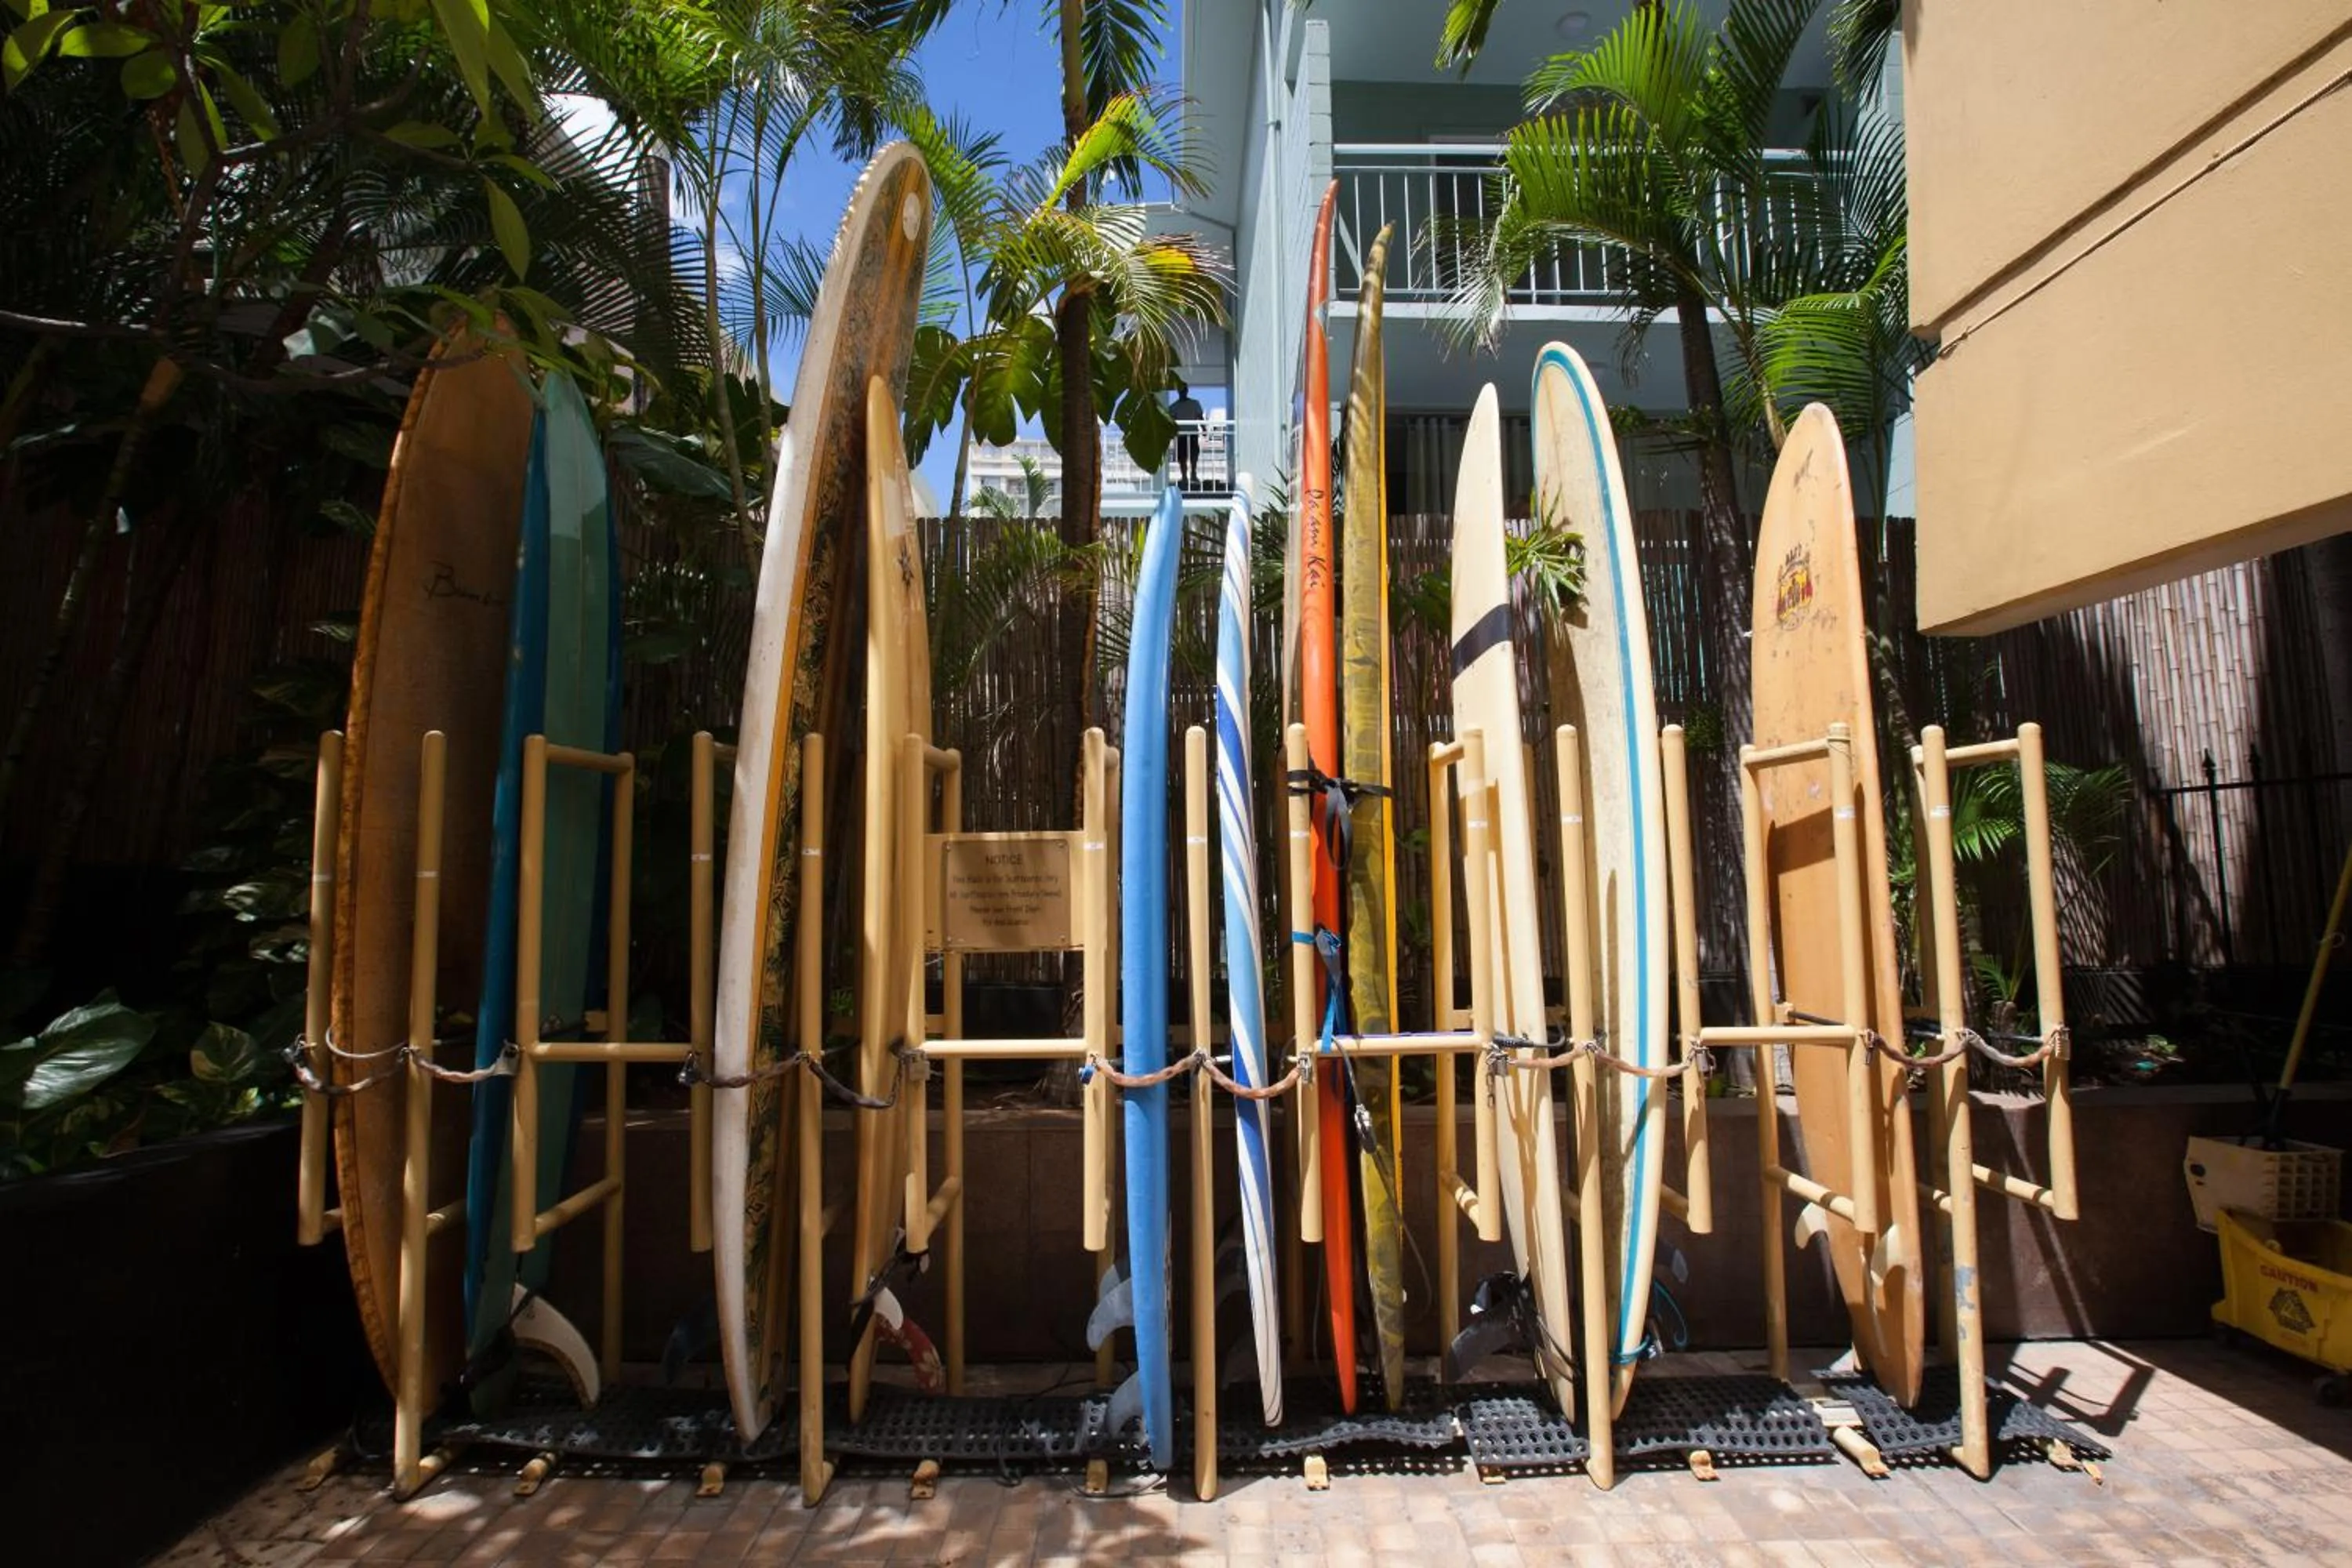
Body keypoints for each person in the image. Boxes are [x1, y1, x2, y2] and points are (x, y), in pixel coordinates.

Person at [1170, 376, 1204, 491]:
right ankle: (1184, 477)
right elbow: (1170, 421)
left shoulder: (1195, 403)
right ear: (1178, 391)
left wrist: (1204, 429)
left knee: (1194, 456)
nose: (1182, 392)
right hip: (1181, 436)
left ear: (1187, 390)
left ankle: (1193, 474)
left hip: (1193, 434)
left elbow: (1200, 417)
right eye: (1181, 390)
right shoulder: (1174, 407)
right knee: (1182, 458)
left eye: (1184, 389)